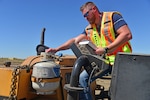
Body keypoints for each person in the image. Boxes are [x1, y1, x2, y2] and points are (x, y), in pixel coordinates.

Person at [46, 1, 132, 100]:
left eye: (86, 14)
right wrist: (56, 49)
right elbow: (74, 40)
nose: (85, 18)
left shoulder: (112, 17)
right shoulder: (89, 29)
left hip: (120, 61)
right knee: (82, 79)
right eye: (84, 16)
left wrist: (106, 49)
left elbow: (127, 34)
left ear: (94, 9)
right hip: (103, 62)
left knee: (118, 90)